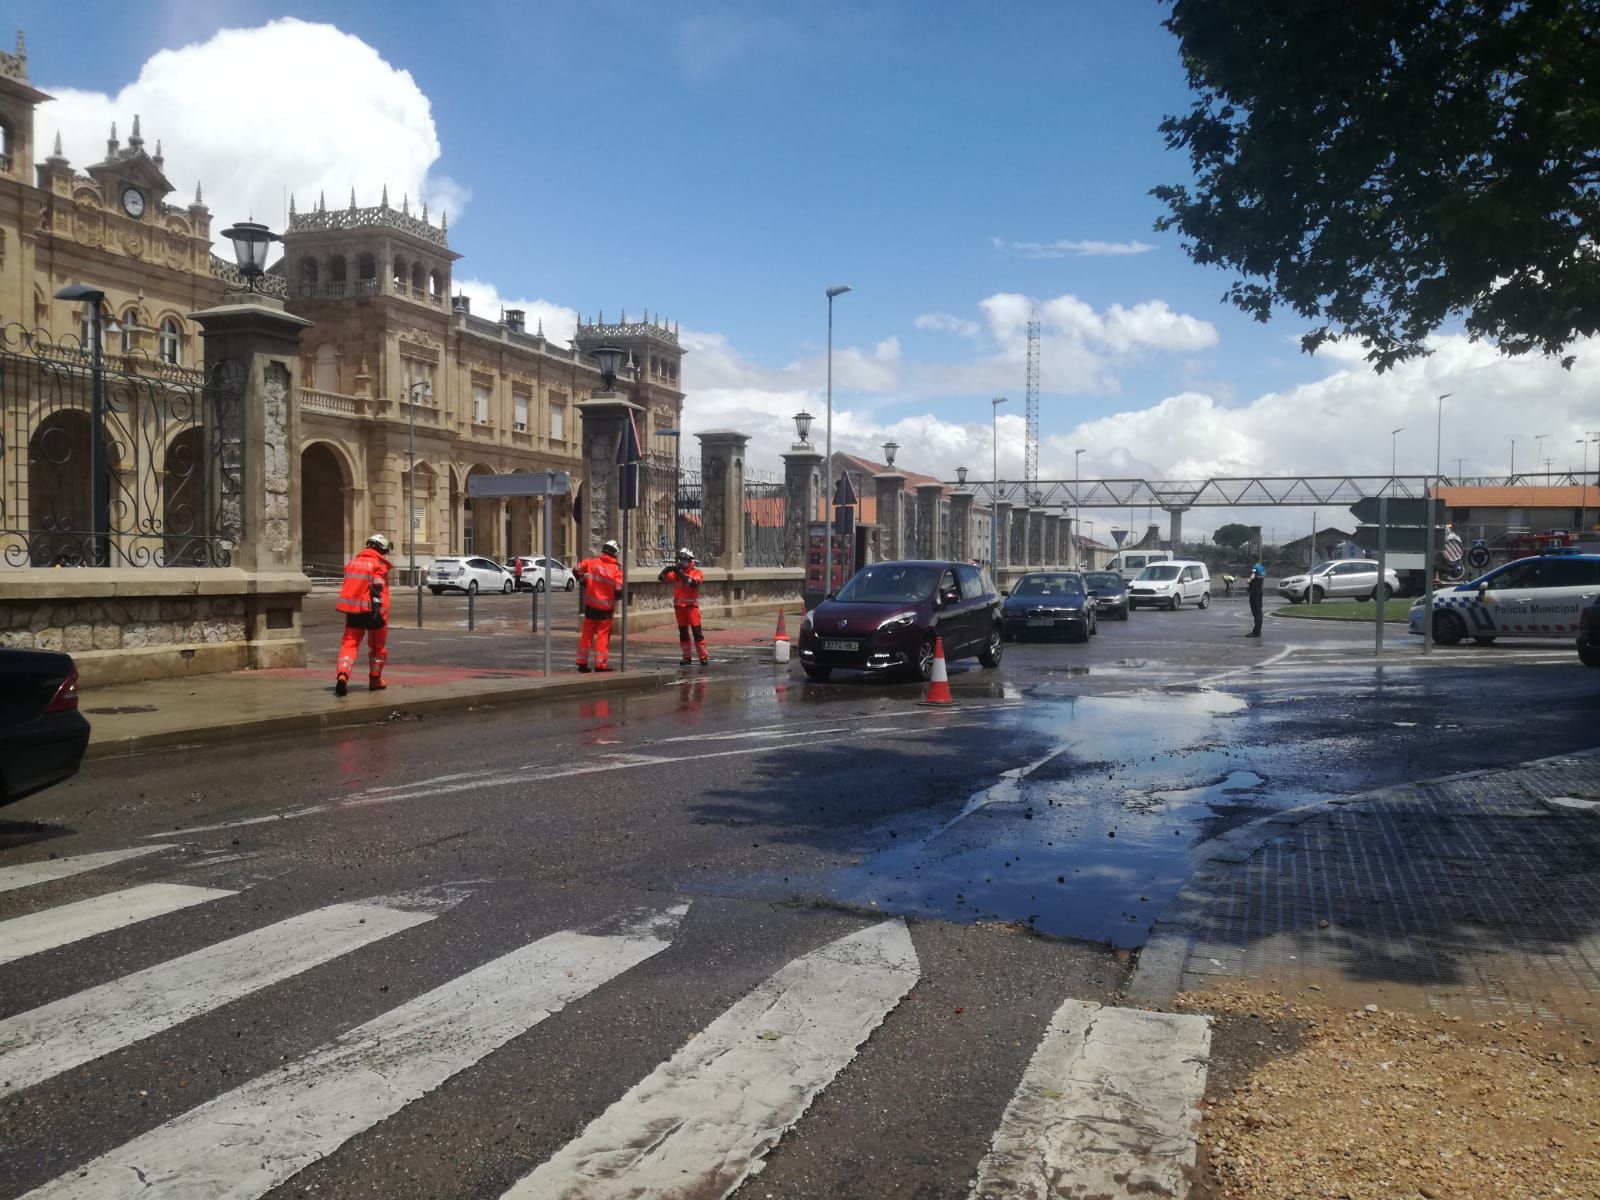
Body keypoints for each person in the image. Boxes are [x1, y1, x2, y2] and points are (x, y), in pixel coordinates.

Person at [335, 533, 394, 695]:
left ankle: (342, 675)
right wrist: (378, 614)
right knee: (377, 648)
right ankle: (375, 680)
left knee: (349, 644)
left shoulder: (352, 563)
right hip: (373, 612)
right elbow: (377, 590)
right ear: (381, 549)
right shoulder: (378, 564)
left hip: (353, 612)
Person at [573, 538, 624, 672]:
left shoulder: (592, 562)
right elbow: (619, 590)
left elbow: (576, 570)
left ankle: (582, 663)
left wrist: (584, 581)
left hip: (590, 606)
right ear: (615, 553)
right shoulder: (616, 569)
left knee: (587, 635)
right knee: (602, 637)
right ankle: (600, 665)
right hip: (606, 609)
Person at [658, 547, 709, 666]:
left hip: (692, 608)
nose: (683, 562)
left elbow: (693, 584)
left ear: (691, 560)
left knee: (697, 633)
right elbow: (662, 578)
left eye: (685, 560)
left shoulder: (696, 572)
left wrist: (682, 574)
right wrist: (667, 570)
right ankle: (686, 657)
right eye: (681, 560)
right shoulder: (676, 573)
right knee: (683, 633)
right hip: (679, 608)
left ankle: (703, 657)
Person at [1246, 562, 1265, 637]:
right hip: (1260, 591)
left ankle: (1256, 632)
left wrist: (1249, 580)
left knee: (1256, 612)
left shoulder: (1255, 569)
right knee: (1259, 612)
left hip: (1254, 592)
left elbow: (1253, 575)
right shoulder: (1262, 571)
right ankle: (1257, 630)